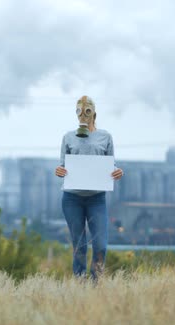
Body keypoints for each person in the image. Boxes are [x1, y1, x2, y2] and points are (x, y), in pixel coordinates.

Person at [55, 95, 124, 280]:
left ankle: (96, 283)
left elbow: (112, 165)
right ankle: (80, 283)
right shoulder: (68, 137)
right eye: (79, 111)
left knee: (101, 245)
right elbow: (62, 165)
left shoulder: (105, 137)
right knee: (80, 245)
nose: (83, 116)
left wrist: (117, 172)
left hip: (96, 199)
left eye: (87, 111)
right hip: (72, 199)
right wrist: (59, 170)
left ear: (94, 114)